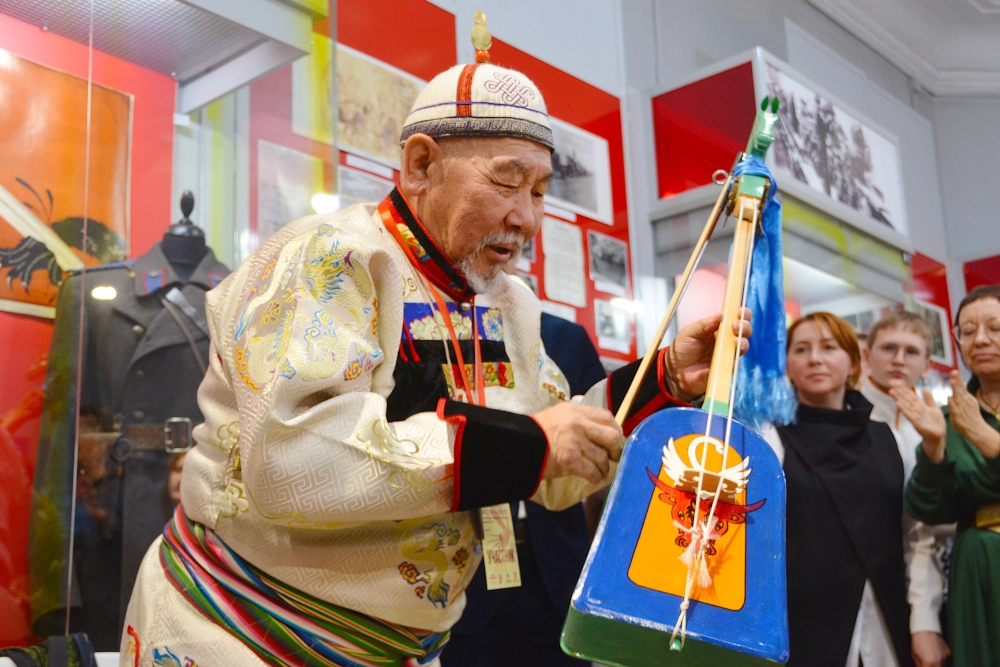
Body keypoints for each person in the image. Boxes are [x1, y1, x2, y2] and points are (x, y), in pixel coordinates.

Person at [120, 53, 754, 667]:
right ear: (421, 164)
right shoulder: (329, 258)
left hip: (404, 649)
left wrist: (664, 379)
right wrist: (528, 445)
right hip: (241, 631)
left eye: (539, 191)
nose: (527, 218)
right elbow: (293, 461)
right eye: (507, 181)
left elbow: (553, 469)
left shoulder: (508, 302)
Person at [442, 310, 605, 666]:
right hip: (469, 568)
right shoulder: (442, 330)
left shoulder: (566, 339)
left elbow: (605, 444)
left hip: (558, 564)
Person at [763, 312, 913, 667]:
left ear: (854, 362)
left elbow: (910, 532)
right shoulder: (770, 438)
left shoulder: (888, 437)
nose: (815, 359)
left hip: (885, 616)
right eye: (801, 349)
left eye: (829, 348)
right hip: (805, 624)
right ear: (787, 366)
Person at [904, 284, 1000, 666]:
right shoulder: (947, 418)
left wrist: (987, 440)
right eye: (968, 331)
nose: (981, 339)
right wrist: (933, 449)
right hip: (977, 566)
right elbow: (929, 510)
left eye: (995, 328)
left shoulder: (967, 422)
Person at [861, 311, 951, 667]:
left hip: (921, 586)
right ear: (866, 355)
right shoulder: (844, 415)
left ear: (927, 364)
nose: (899, 359)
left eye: (911, 351)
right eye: (889, 348)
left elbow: (925, 529)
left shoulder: (934, 426)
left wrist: (925, 618)